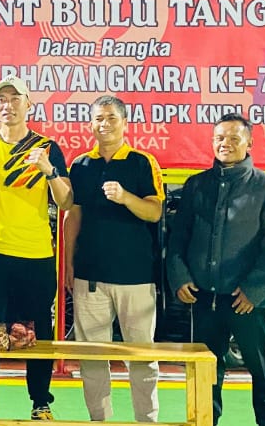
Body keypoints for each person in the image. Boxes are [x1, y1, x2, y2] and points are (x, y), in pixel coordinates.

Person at [0, 76, 72, 421]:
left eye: (15, 98)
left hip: (36, 256)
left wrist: (49, 170)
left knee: (38, 333)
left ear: (29, 105)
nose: (8, 105)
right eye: (2, 99)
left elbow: (66, 200)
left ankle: (41, 402)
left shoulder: (47, 148)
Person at [167, 114, 265, 426]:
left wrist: (255, 291)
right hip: (204, 298)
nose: (226, 144)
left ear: (249, 143)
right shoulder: (196, 185)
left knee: (262, 370)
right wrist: (179, 277)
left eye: (234, 138)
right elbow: (178, 238)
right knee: (206, 370)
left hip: (248, 301)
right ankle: (206, 421)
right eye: (220, 138)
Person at [63, 95, 164, 422]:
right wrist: (68, 263)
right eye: (98, 118)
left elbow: (154, 212)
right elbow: (73, 216)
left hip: (136, 277)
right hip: (89, 275)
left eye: (111, 118)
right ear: (90, 123)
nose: (104, 124)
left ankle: (146, 420)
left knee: (142, 356)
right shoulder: (80, 165)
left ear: (124, 123)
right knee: (92, 358)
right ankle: (99, 420)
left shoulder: (142, 162)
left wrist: (125, 197)